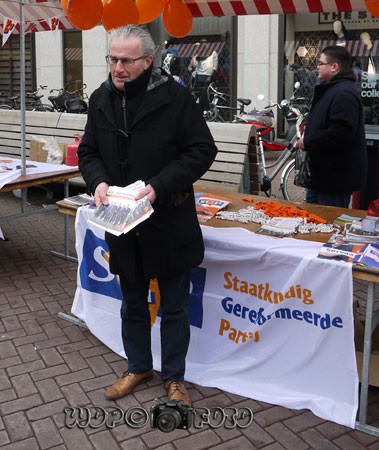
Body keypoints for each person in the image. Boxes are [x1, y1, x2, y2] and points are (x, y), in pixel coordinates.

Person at [77, 25, 217, 406]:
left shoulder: (175, 97)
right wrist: (98, 182)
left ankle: (174, 378)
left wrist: (159, 185)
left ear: (147, 61)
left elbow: (202, 150)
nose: (117, 67)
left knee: (173, 307)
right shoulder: (100, 98)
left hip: (168, 221)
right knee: (133, 303)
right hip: (123, 224)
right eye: (112, 59)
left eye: (126, 60)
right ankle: (137, 366)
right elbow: (88, 151)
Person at [297, 46, 367, 207]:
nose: (318, 67)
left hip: (335, 179)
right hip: (322, 176)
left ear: (334, 67)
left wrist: (308, 140)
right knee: (313, 223)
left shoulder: (343, 93)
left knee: (327, 226)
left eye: (321, 63)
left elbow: (341, 133)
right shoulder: (333, 89)